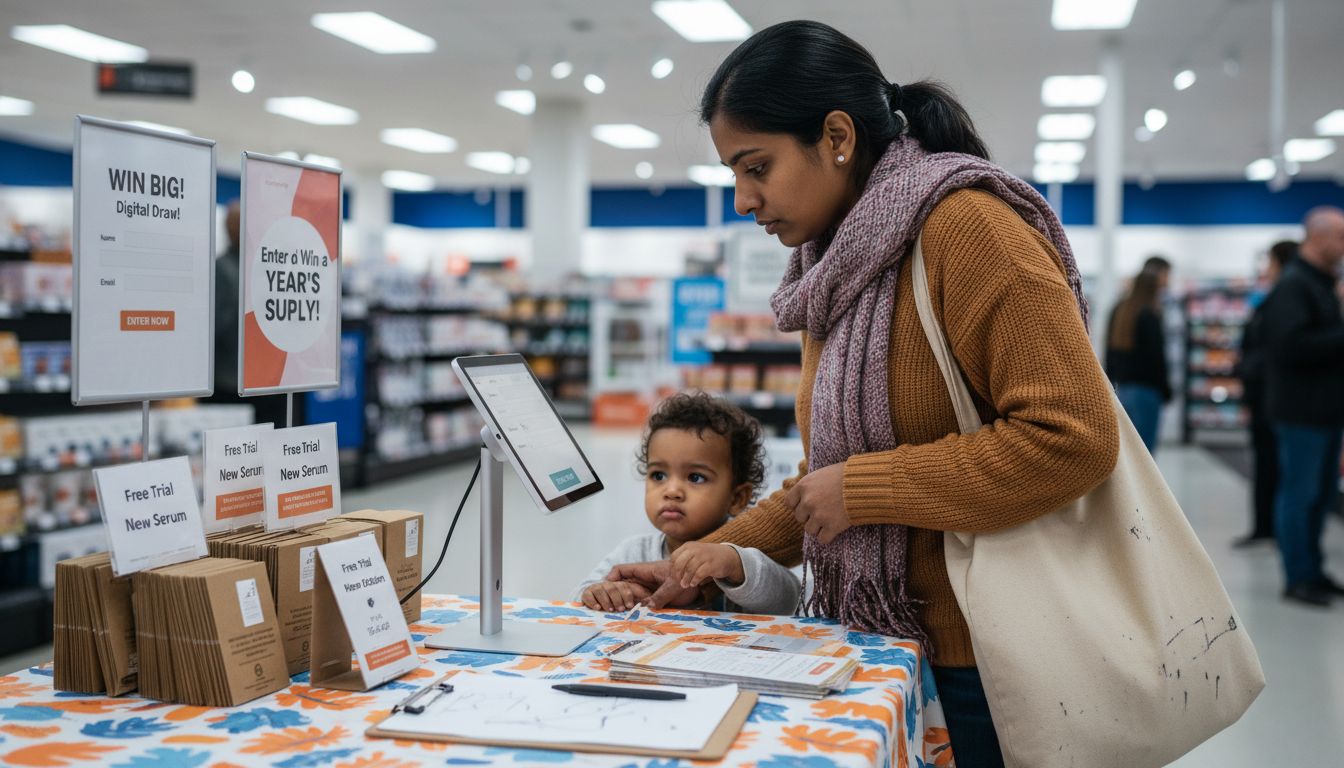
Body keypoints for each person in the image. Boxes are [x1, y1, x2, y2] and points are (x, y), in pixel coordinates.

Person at [603, 21, 1118, 767]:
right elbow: (826, 487)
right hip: (885, 645)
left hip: (989, 661)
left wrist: (869, 489)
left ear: (837, 136)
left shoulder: (970, 230)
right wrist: (702, 554)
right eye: (733, 175)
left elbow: (1075, 437)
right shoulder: (840, 266)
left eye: (757, 167)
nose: (744, 200)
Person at [573, 392, 801, 615]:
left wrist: (734, 564)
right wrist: (601, 593)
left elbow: (788, 600)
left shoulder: (743, 555)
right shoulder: (634, 552)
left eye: (695, 477)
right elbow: (579, 597)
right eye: (658, 475)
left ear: (737, 498)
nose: (671, 491)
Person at [1260, 206, 1344, 608]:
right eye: (1340, 237)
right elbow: (1290, 347)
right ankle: (1297, 576)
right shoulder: (1294, 286)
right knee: (1300, 493)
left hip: (1324, 411)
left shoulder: (1323, 283)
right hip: (1301, 412)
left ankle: (1313, 570)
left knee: (1320, 495)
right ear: (1318, 237)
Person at [1233, 240, 1297, 547]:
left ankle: (1273, 530)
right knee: (1267, 465)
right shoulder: (1272, 300)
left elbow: (1262, 352)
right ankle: (1265, 528)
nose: (1265, 269)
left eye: (1269, 261)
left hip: (1273, 400)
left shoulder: (1281, 300)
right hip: (1266, 399)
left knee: (1278, 468)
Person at [1105, 264, 1172, 452]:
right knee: (1146, 452)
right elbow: (1157, 357)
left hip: (1124, 389)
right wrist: (1166, 389)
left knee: (1129, 452)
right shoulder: (1150, 314)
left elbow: (1110, 351)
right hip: (1147, 391)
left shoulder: (1119, 311)